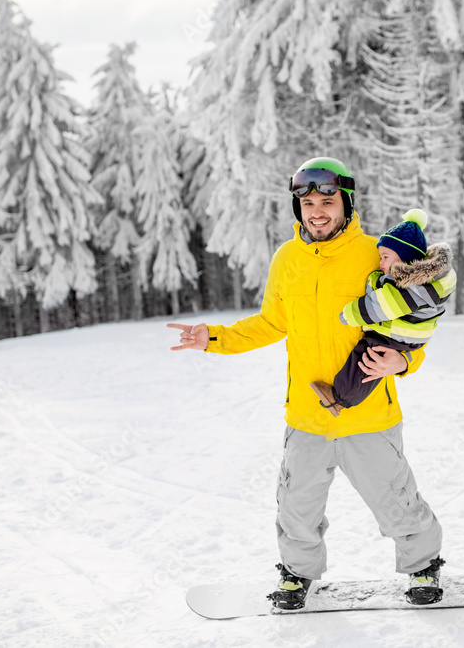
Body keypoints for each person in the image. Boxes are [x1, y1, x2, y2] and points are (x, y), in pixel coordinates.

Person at [168, 157, 446, 609]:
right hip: (306, 413)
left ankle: (423, 566)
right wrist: (212, 338)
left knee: (395, 498)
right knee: (296, 506)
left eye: (327, 201)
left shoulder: (376, 254)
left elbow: (418, 319)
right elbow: (269, 323)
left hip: (368, 413)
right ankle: (297, 575)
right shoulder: (287, 259)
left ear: (346, 204)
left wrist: (403, 362)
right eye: (308, 202)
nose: (317, 211)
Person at [310, 208, 456, 418]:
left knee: (366, 360)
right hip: (403, 336)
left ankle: (340, 399)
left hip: (397, 336)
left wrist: (351, 314)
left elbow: (380, 305)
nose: (381, 263)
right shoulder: (419, 282)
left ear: (405, 258)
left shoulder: (409, 286)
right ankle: (343, 398)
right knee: (372, 362)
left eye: (385, 257)